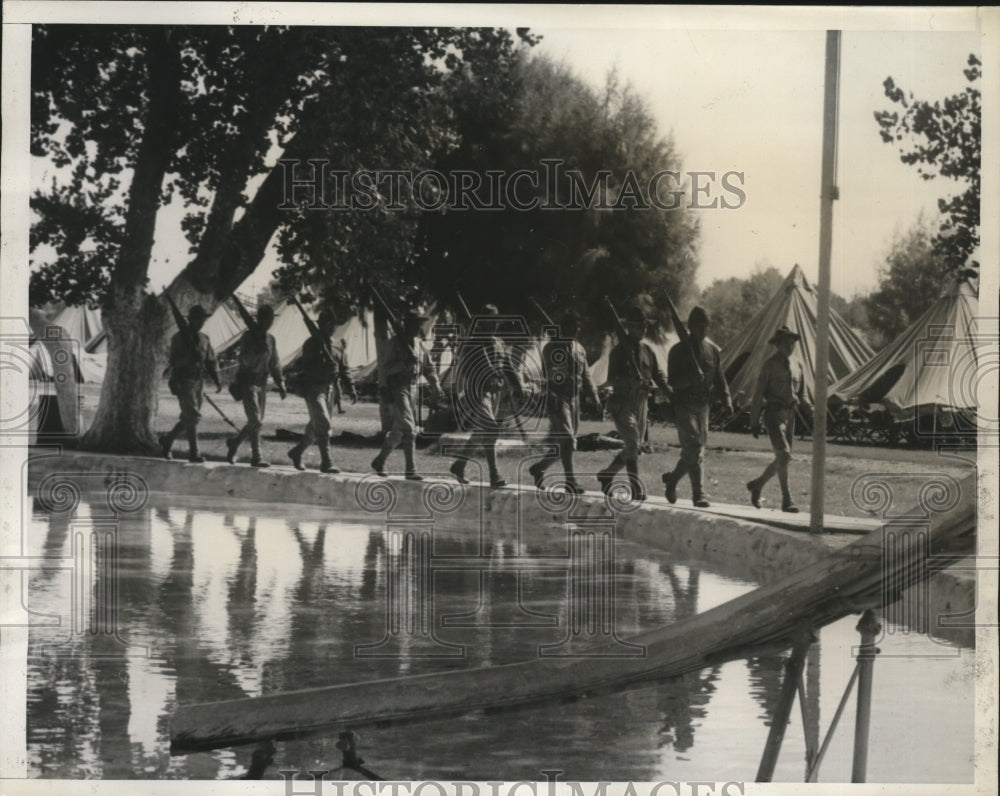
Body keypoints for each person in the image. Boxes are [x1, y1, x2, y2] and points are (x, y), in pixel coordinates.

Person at [661, 306, 733, 507]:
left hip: (703, 406)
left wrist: (726, 399)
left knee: (697, 450)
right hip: (684, 405)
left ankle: (673, 479)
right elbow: (673, 381)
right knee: (694, 447)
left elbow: (719, 376)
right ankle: (698, 493)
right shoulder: (677, 351)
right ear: (690, 327)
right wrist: (690, 379)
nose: (704, 330)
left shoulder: (712, 351)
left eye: (706, 326)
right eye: (699, 326)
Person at [597, 305, 669, 501]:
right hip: (623, 402)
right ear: (628, 328)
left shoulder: (648, 351)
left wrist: (667, 389)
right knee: (632, 443)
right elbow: (612, 379)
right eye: (637, 326)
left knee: (635, 447)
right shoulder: (619, 352)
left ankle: (607, 475)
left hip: (642, 402)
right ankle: (635, 487)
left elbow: (658, 374)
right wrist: (630, 381)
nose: (642, 330)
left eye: (644, 326)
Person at [528, 311, 601, 494]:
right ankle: (570, 481)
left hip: (574, 399)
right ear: (563, 327)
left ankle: (539, 468)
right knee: (568, 439)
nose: (574, 331)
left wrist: (594, 395)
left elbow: (586, 375)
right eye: (571, 327)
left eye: (576, 328)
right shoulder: (551, 348)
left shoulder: (579, 348)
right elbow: (549, 373)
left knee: (567, 442)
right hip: (556, 397)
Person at [449, 304, 519, 488]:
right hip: (477, 391)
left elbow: (507, 365)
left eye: (496, 320)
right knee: (491, 428)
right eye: (490, 320)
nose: (495, 324)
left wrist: (517, 384)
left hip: (495, 392)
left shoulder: (498, 342)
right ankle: (494, 474)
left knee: (484, 432)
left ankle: (459, 464)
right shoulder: (472, 342)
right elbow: (463, 369)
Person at [746, 325, 811, 513]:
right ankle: (786, 497)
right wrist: (754, 422)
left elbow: (803, 394)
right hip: (773, 414)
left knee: (784, 458)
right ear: (778, 345)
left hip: (791, 415)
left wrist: (813, 412)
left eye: (792, 343)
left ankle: (761, 487)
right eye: (786, 343)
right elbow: (758, 395)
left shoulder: (798, 365)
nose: (790, 347)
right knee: (784, 454)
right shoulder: (769, 365)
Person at [371, 310, 441, 480]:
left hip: (413, 388)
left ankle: (380, 461)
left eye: (418, 323)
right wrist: (404, 363)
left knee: (399, 432)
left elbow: (428, 367)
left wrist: (436, 385)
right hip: (398, 389)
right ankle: (411, 470)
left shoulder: (419, 344)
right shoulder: (394, 343)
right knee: (410, 429)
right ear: (405, 324)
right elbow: (386, 369)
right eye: (413, 323)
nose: (417, 326)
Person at [226, 304, 286, 467]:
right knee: (255, 420)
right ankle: (256, 456)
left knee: (257, 420)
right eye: (265, 318)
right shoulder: (248, 336)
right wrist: (256, 351)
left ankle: (235, 443)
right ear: (259, 319)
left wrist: (281, 383)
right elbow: (243, 359)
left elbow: (275, 363)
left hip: (262, 383)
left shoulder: (270, 339)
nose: (269, 322)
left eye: (271, 319)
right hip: (248, 382)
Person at [159, 304, 221, 463]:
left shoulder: (204, 339)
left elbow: (211, 360)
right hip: (182, 380)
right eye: (196, 319)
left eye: (202, 320)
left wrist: (217, 379)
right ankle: (194, 452)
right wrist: (188, 358)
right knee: (193, 416)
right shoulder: (178, 338)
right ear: (190, 319)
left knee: (189, 417)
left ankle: (168, 439)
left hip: (198, 381)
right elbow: (172, 361)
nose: (200, 322)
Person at [288, 309, 342, 474]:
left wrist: (347, 387)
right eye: (325, 323)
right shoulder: (311, 343)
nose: (329, 327)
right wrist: (324, 368)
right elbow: (306, 367)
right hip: (314, 388)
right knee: (324, 423)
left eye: (331, 323)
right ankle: (327, 462)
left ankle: (297, 452)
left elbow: (343, 369)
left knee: (315, 427)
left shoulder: (338, 344)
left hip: (330, 388)